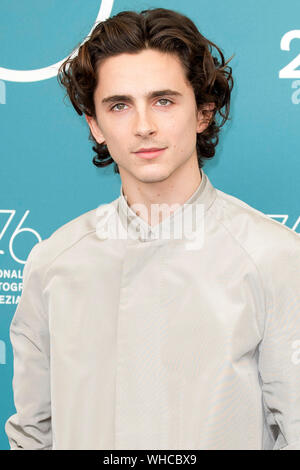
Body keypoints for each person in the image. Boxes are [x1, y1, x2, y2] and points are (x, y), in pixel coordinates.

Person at [5, 7, 300, 450]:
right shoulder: (53, 262)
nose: (144, 126)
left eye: (163, 100)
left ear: (203, 112)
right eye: (119, 105)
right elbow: (32, 435)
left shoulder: (274, 258)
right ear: (95, 125)